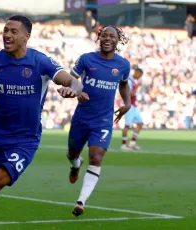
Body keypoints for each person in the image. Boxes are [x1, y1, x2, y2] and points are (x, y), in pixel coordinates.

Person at [0, 15, 84, 230]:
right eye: (5, 30)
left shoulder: (39, 61)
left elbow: (73, 81)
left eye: (13, 31)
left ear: (26, 36)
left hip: (24, 140)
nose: (7, 35)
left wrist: (73, 90)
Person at [66, 25, 131, 217]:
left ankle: (81, 201)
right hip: (81, 117)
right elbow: (72, 79)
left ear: (118, 40)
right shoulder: (86, 59)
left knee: (96, 157)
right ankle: (75, 165)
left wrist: (127, 103)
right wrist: (77, 91)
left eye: (112, 36)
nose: (108, 38)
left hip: (103, 120)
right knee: (71, 154)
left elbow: (124, 84)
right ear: (99, 38)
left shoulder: (123, 65)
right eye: (104, 35)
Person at [121, 67, 143, 151]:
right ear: (137, 73)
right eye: (139, 75)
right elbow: (130, 94)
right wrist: (137, 87)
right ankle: (123, 145)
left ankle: (132, 143)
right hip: (128, 105)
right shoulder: (129, 80)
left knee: (140, 124)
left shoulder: (134, 81)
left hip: (134, 106)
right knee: (127, 126)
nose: (139, 77)